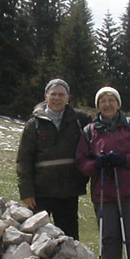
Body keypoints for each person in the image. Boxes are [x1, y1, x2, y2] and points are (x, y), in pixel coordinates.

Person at [76, 87, 130, 259]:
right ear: (98, 106)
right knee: (109, 236)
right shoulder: (89, 131)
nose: (107, 104)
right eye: (103, 101)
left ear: (118, 104)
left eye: (111, 100)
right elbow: (82, 162)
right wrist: (96, 164)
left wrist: (125, 160)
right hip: (104, 192)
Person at [16, 79, 90, 239]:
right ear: (46, 96)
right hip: (40, 192)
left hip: (69, 191)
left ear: (68, 97)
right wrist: (26, 192)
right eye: (53, 94)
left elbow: (104, 123)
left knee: (69, 239)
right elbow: (24, 160)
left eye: (61, 95)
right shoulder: (33, 124)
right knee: (35, 237)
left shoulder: (80, 119)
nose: (57, 98)